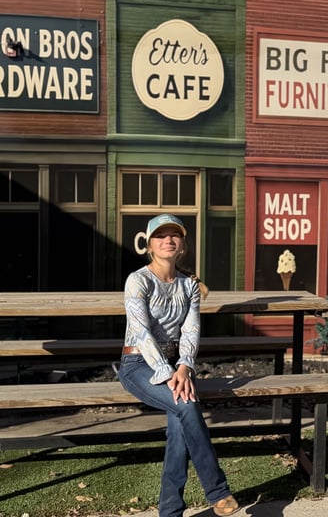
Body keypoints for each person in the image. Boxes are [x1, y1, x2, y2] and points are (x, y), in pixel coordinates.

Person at [118, 214, 240, 517]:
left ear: (183, 245)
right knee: (186, 405)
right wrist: (167, 372)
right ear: (149, 245)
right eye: (161, 236)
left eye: (175, 235)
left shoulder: (190, 285)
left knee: (179, 426)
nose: (168, 240)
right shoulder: (138, 280)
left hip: (177, 366)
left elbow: (191, 330)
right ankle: (218, 490)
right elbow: (142, 333)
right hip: (138, 363)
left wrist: (184, 366)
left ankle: (170, 512)